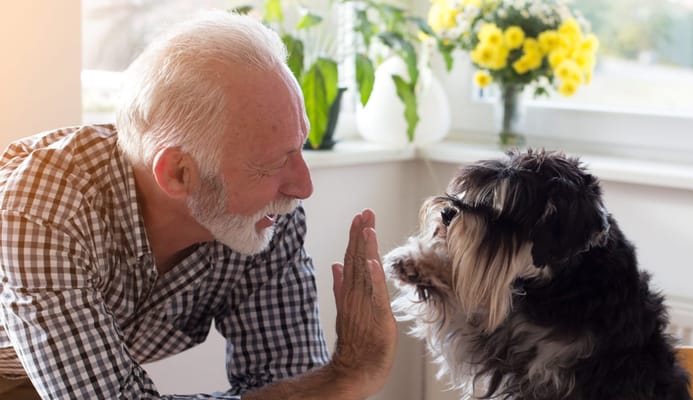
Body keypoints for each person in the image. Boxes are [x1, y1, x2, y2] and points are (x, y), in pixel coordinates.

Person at [0, 10, 396, 400]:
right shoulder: (45, 207)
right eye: (272, 162)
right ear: (177, 174)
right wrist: (346, 376)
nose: (302, 186)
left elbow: (294, 383)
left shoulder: (266, 215)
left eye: (299, 147)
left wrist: (335, 381)